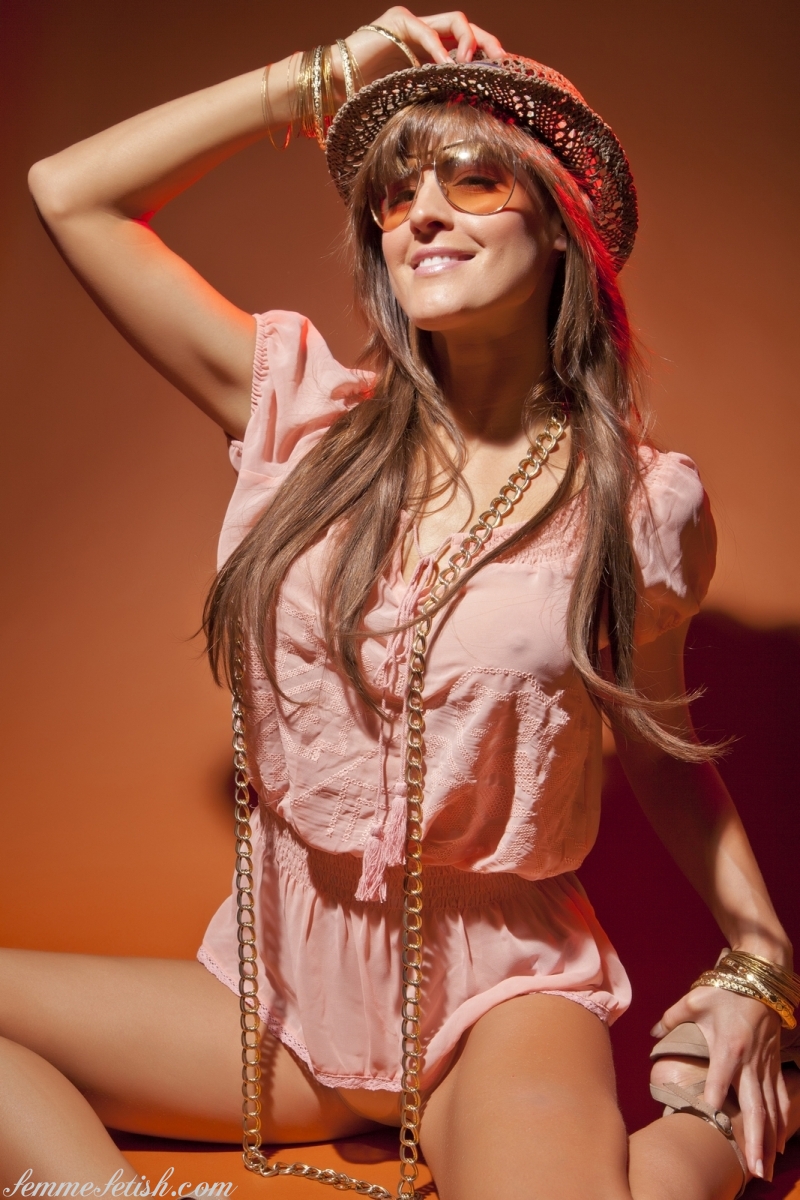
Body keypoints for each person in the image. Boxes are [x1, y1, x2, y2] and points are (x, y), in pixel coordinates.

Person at [8, 8, 799, 1200]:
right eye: (393, 192)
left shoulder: (639, 506)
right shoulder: (299, 417)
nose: (419, 212)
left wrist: (759, 958)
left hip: (497, 991)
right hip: (282, 990)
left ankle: (704, 1114)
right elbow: (70, 193)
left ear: (561, 225)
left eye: (472, 179)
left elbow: (652, 746)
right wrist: (325, 75)